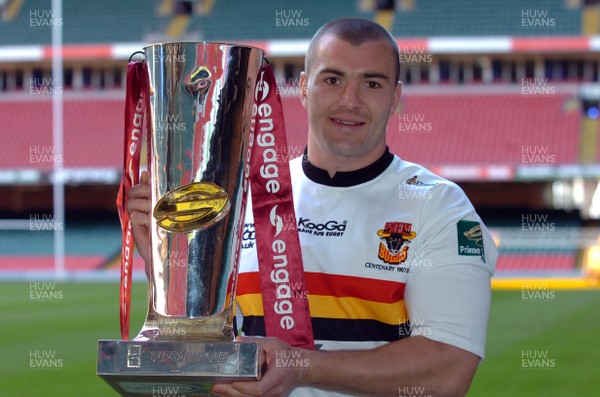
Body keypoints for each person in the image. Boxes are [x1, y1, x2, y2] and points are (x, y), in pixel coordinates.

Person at [128, 17, 497, 397]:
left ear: (395, 97)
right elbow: (201, 354)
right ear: (304, 88)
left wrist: (301, 367)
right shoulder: (240, 199)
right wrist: (170, 267)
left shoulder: (439, 207)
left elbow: (447, 372)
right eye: (332, 79)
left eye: (371, 83)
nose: (350, 100)